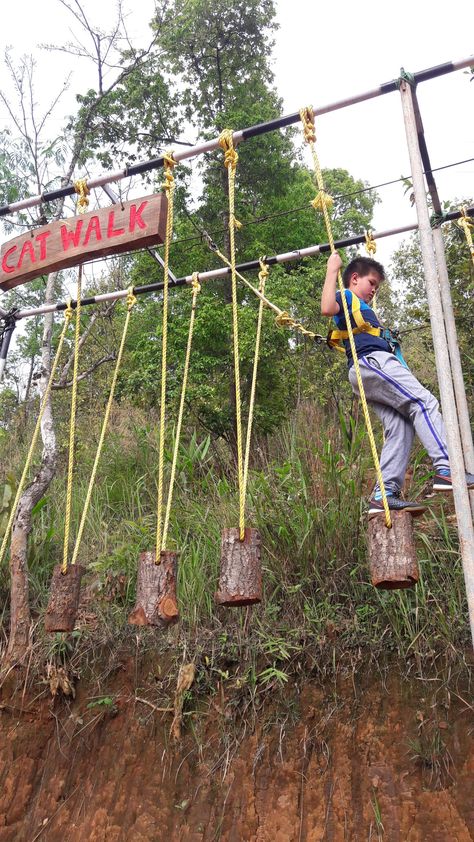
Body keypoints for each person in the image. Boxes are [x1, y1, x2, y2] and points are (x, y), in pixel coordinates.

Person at [321, 252, 474, 515]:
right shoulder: (346, 297)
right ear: (354, 279)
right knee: (423, 402)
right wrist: (332, 269)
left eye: (376, 287)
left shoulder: (362, 309)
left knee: (401, 425)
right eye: (371, 283)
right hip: (371, 362)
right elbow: (326, 307)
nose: (373, 291)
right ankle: (447, 467)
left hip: (366, 371)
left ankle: (384, 493)